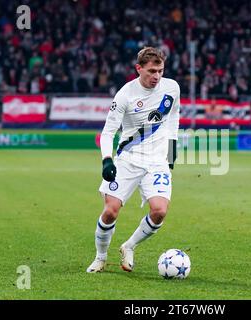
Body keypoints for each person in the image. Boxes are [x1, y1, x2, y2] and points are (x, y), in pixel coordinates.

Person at [86, 47, 180, 273]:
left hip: (157, 161)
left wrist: (172, 147)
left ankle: (129, 246)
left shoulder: (172, 88)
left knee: (159, 211)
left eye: (160, 70)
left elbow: (173, 116)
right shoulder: (125, 95)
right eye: (151, 71)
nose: (156, 76)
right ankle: (100, 257)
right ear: (139, 69)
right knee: (110, 211)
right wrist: (107, 160)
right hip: (128, 160)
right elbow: (108, 132)